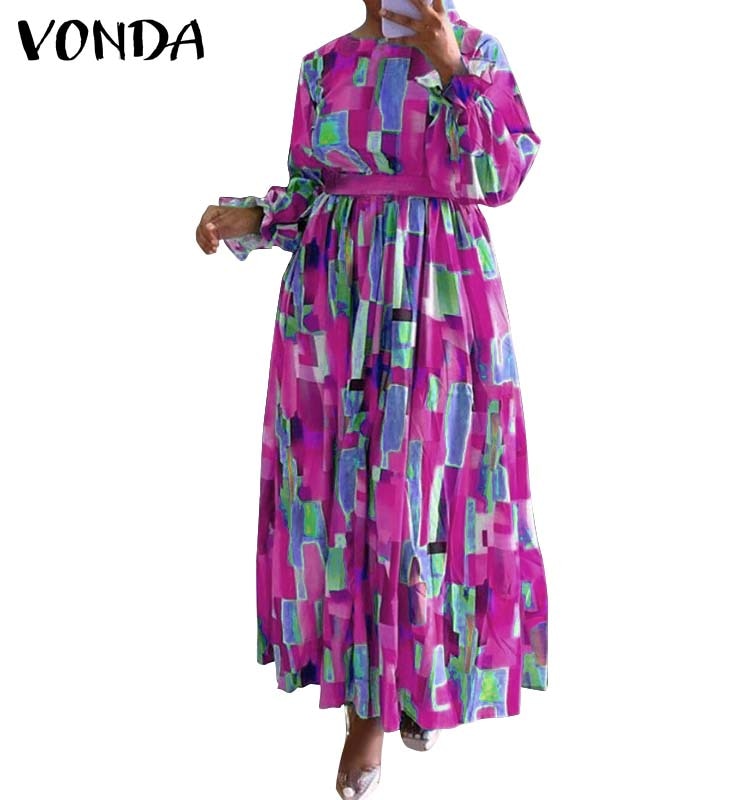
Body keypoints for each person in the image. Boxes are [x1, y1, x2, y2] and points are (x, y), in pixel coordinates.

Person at [195, 1, 548, 797]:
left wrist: (453, 69)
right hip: (335, 305)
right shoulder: (323, 66)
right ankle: (370, 708)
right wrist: (251, 216)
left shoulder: (476, 50)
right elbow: (311, 191)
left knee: (428, 493)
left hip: (438, 297)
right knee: (347, 501)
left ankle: (419, 679)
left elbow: (503, 173)